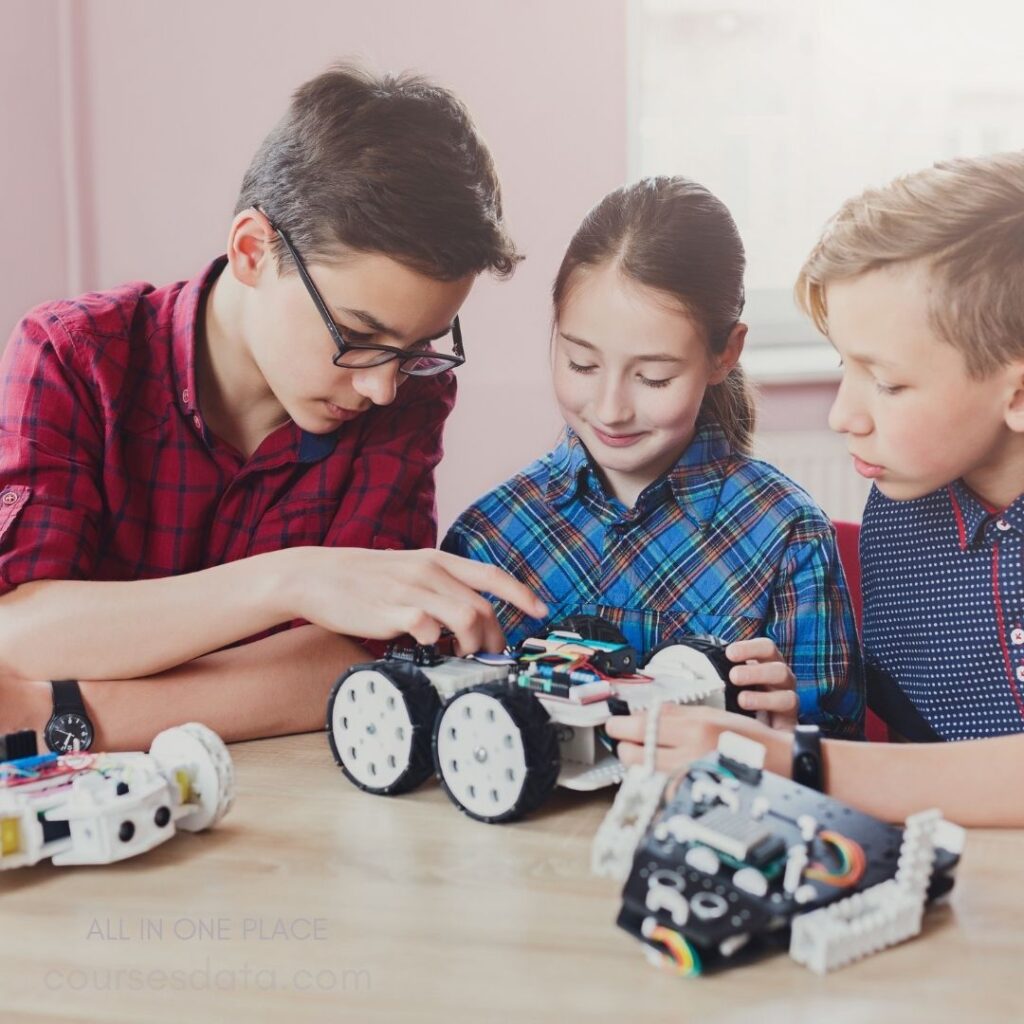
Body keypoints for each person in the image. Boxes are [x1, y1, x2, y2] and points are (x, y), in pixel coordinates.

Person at [0, 64, 546, 751]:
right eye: (358, 335)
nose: (382, 388)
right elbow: (21, 633)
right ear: (254, 250)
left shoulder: (412, 392)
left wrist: (58, 715)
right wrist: (293, 579)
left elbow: (352, 660)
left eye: (416, 347)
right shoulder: (74, 356)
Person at [606, 152, 1024, 827]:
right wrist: (790, 729)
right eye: (842, 365)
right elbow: (913, 761)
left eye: (885, 382)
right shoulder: (900, 515)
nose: (841, 415)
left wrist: (795, 760)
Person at [443, 177, 863, 738]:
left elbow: (835, 756)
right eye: (582, 365)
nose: (611, 410)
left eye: (653, 377)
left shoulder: (788, 536)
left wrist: (788, 735)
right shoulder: (488, 537)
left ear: (724, 354)